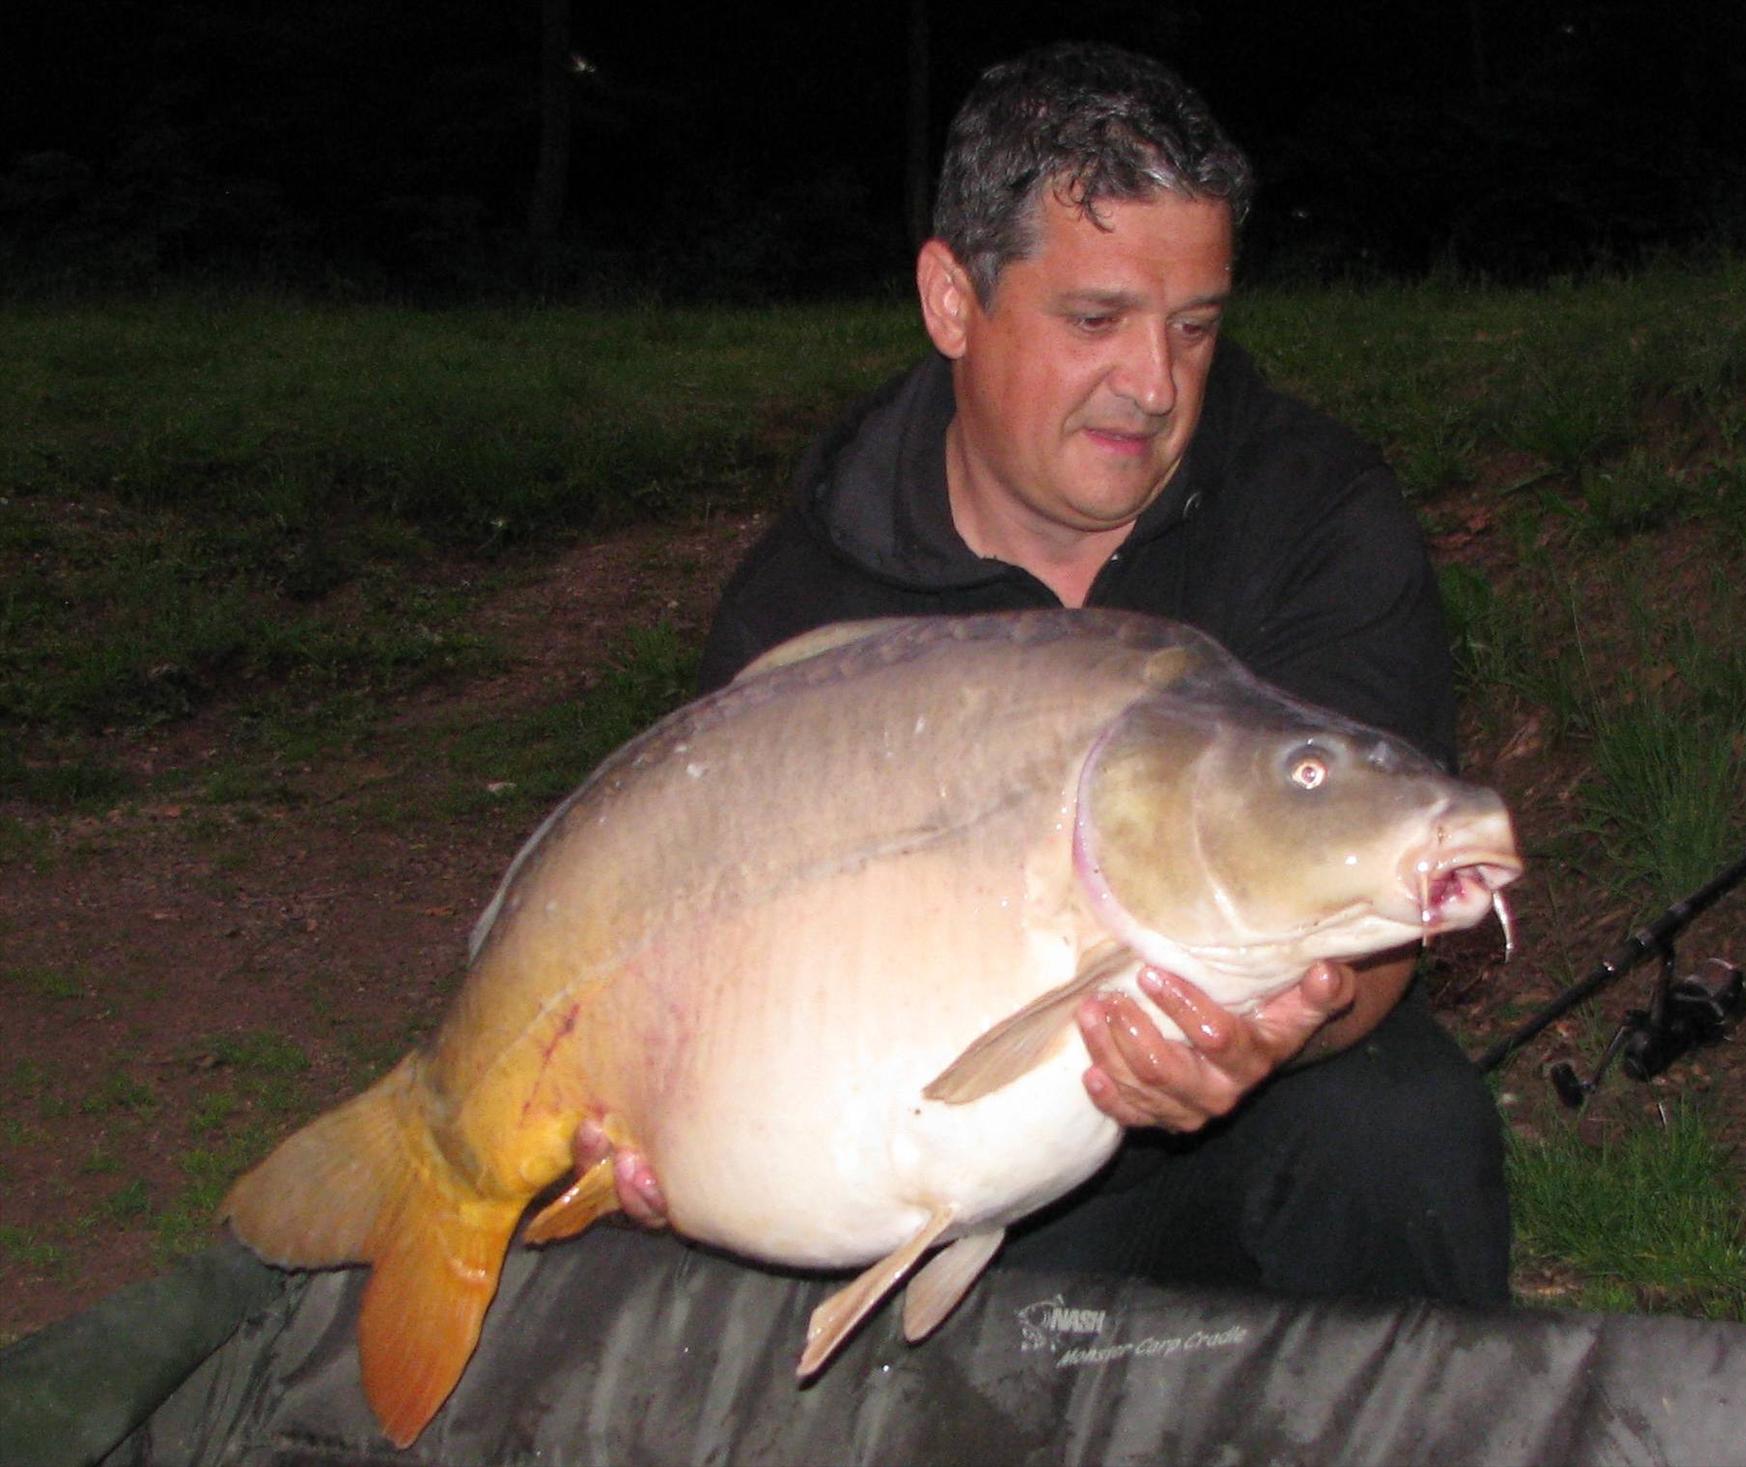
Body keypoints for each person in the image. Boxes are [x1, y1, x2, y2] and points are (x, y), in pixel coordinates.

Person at [593, 40, 1509, 1308]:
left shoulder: (1314, 513)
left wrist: (1271, 1032)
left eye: (1194, 327)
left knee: (1403, 1125)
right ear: (952, 300)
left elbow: (1375, 921)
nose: (1153, 383)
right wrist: (652, 1120)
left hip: (1251, 1134)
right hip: (931, 1160)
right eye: (1096, 320)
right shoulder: (808, 601)